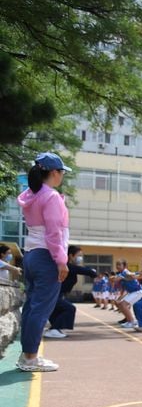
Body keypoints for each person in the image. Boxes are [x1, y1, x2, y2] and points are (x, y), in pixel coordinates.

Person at [16, 152, 72, 371]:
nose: (63, 176)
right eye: (62, 172)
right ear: (54, 173)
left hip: (31, 254)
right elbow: (54, 232)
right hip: (46, 256)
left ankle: (27, 355)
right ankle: (30, 358)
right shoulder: (50, 197)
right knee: (40, 309)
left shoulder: (31, 195)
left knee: (31, 307)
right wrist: (61, 260)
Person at [45, 245, 97, 338]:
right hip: (52, 295)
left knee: (59, 309)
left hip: (57, 295)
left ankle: (55, 329)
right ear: (70, 255)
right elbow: (82, 270)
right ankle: (54, 329)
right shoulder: (65, 266)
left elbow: (78, 270)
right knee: (70, 309)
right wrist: (92, 272)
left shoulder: (70, 267)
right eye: (78, 255)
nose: (80, 258)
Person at [113, 259, 142, 329]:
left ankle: (132, 321)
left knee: (123, 304)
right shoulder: (120, 274)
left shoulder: (125, 272)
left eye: (119, 264)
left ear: (124, 266)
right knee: (119, 303)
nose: (117, 266)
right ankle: (129, 319)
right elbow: (124, 287)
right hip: (132, 292)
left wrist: (113, 278)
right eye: (117, 265)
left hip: (138, 291)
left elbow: (115, 279)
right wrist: (121, 296)